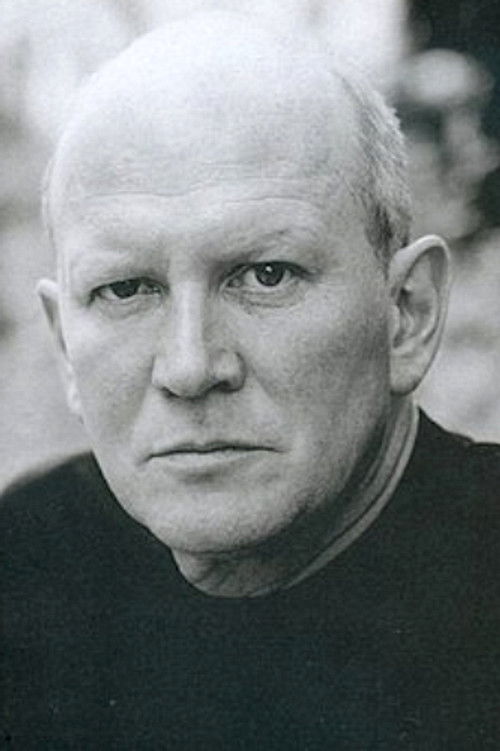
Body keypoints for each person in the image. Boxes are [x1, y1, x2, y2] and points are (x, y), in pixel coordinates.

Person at [1, 11, 498, 749]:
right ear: (65, 346)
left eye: (266, 275)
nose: (190, 367)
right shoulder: (25, 563)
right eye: (126, 289)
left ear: (407, 313)